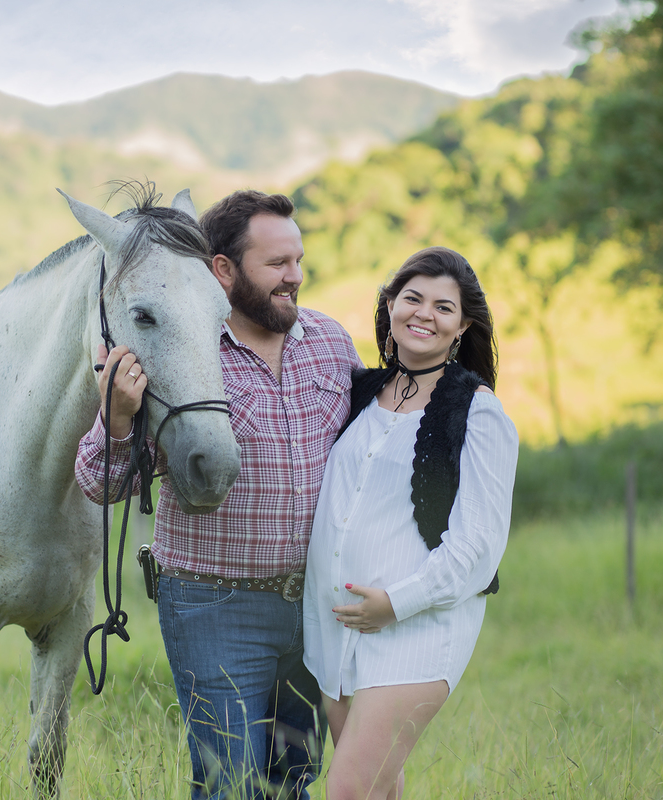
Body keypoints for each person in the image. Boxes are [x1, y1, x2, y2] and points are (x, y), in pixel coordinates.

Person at [75, 190, 362, 799]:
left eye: (299, 260)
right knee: (230, 784)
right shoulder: (181, 350)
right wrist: (119, 419)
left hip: (316, 609)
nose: (295, 277)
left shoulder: (332, 345)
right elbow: (101, 484)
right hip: (215, 606)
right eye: (277, 264)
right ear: (223, 271)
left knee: (294, 781)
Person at [302, 246, 518, 800]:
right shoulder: (360, 392)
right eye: (413, 298)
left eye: (443, 307)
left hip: (415, 631)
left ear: (462, 325)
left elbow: (478, 547)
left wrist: (394, 604)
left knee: (348, 790)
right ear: (391, 305)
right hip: (337, 630)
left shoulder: (479, 412)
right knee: (378, 791)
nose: (425, 314)